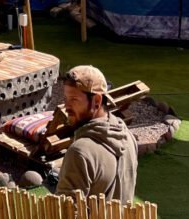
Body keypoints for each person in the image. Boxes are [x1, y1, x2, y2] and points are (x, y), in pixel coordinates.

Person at [55, 65, 138, 203]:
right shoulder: (128, 136)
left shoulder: (79, 151)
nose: (67, 107)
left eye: (74, 99)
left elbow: (66, 210)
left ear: (97, 101)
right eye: (66, 99)